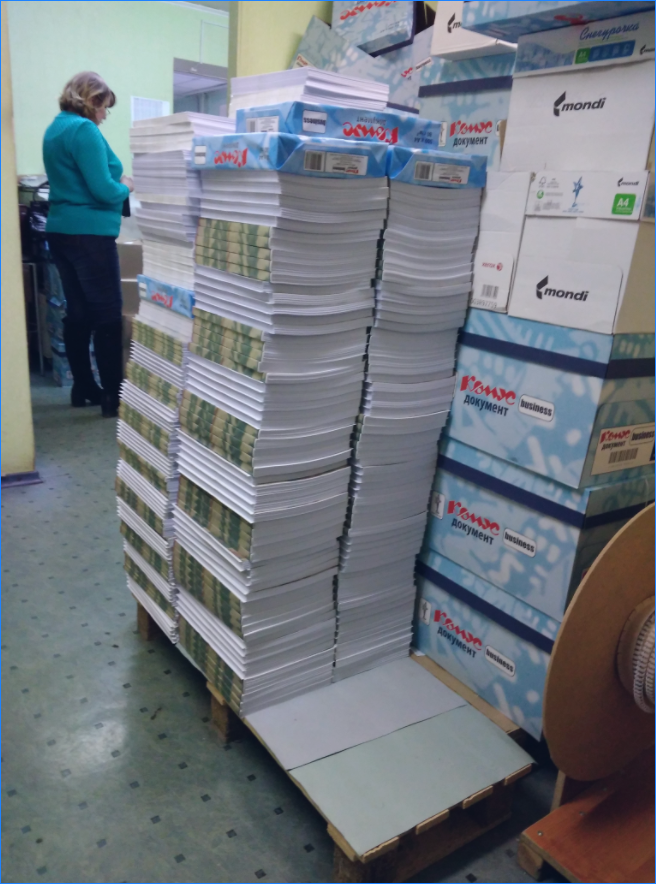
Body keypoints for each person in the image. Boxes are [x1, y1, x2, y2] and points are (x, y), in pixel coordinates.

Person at [43, 72, 134, 418]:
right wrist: (127, 185)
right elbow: (104, 190)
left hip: (61, 231)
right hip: (90, 235)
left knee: (79, 312)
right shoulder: (84, 130)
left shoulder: (55, 128)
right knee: (108, 315)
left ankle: (83, 387)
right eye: (103, 107)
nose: (105, 115)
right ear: (91, 100)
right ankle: (113, 397)